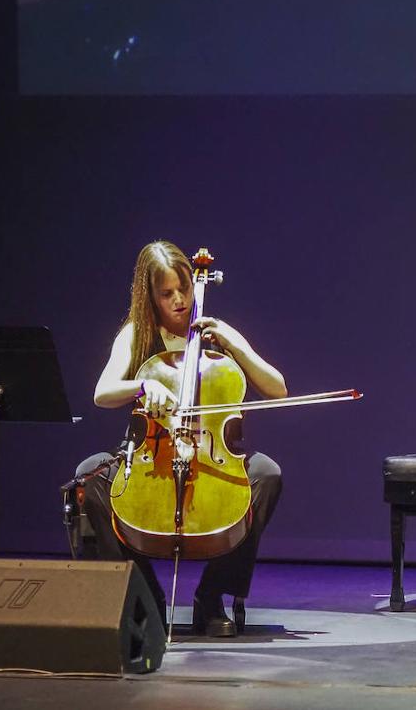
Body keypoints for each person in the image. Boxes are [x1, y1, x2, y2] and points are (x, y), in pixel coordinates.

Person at [77, 240, 286, 637]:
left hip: (211, 455)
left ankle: (212, 594)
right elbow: (102, 393)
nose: (179, 301)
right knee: (88, 476)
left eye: (184, 290)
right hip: (149, 455)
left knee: (266, 475)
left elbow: (277, 390)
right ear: (150, 296)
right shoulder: (137, 334)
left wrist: (236, 345)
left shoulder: (213, 333)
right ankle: (145, 594)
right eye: (166, 293)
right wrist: (141, 386)